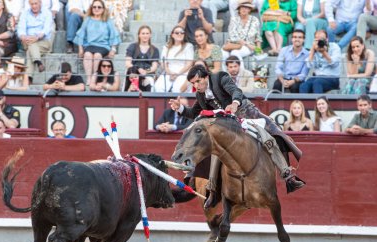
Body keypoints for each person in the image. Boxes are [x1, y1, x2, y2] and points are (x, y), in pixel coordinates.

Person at [169, 65, 306, 208]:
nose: (196, 86)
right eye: (193, 83)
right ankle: (212, 189)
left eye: (197, 81)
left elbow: (236, 91)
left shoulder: (220, 77)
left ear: (206, 77)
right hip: (228, 126)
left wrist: (234, 104)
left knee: (269, 135)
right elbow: (193, 113)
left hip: (246, 114)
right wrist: (179, 108)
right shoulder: (200, 95)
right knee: (216, 149)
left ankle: (288, 176)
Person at [74, 0, 121, 86]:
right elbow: (81, 34)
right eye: (94, 7)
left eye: (99, 7)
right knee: (87, 55)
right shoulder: (87, 20)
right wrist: (80, 49)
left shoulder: (108, 21)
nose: (96, 9)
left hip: (103, 46)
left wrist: (113, 50)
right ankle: (89, 78)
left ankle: (95, 78)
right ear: (91, 8)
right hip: (90, 45)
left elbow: (114, 35)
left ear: (103, 9)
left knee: (97, 55)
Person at [17, 0, 53, 79]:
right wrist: (24, 37)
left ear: (40, 3)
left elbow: (46, 29)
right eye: (32, 4)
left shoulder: (47, 13)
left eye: (35, 3)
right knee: (31, 43)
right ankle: (38, 62)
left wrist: (37, 37)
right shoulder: (25, 13)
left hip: (43, 41)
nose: (34, 6)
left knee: (30, 50)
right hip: (27, 40)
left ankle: (29, 78)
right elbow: (21, 29)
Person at [154, 26, 194, 93]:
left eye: (182, 33)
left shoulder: (188, 46)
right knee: (158, 87)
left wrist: (177, 74)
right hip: (168, 72)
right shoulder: (166, 47)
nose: (179, 34)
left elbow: (189, 64)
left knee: (178, 89)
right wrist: (170, 73)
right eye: (177, 33)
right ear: (172, 35)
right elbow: (163, 63)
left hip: (183, 72)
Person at [125, 25, 160, 90]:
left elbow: (154, 67)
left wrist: (145, 71)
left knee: (147, 82)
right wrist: (138, 70)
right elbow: (128, 64)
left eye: (147, 33)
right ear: (139, 35)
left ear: (150, 35)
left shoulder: (155, 49)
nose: (145, 35)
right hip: (134, 73)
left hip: (148, 74)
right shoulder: (132, 46)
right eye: (143, 33)